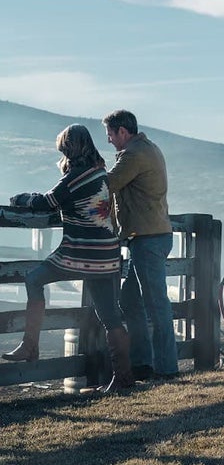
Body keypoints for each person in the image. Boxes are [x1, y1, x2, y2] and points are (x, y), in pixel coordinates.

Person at [4, 124, 135, 393]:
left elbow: (47, 201)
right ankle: (124, 378)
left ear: (69, 149)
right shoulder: (99, 172)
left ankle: (30, 345)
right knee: (110, 316)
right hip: (107, 254)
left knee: (34, 280)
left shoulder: (76, 177)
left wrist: (21, 198)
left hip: (80, 251)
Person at [103, 110, 177, 381]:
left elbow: (109, 184)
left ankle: (165, 368)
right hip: (150, 235)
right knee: (131, 299)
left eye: (110, 134)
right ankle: (143, 363)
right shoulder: (148, 148)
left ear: (122, 132)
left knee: (156, 303)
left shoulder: (133, 155)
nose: (109, 140)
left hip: (147, 238)